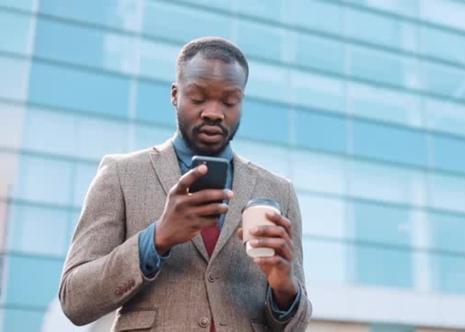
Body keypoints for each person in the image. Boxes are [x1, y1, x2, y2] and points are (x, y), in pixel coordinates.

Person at [58, 36, 312, 332]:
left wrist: (285, 287)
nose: (214, 112)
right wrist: (156, 238)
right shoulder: (121, 175)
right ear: (175, 94)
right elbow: (74, 300)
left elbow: (297, 324)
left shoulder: (279, 192)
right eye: (199, 97)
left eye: (229, 100)